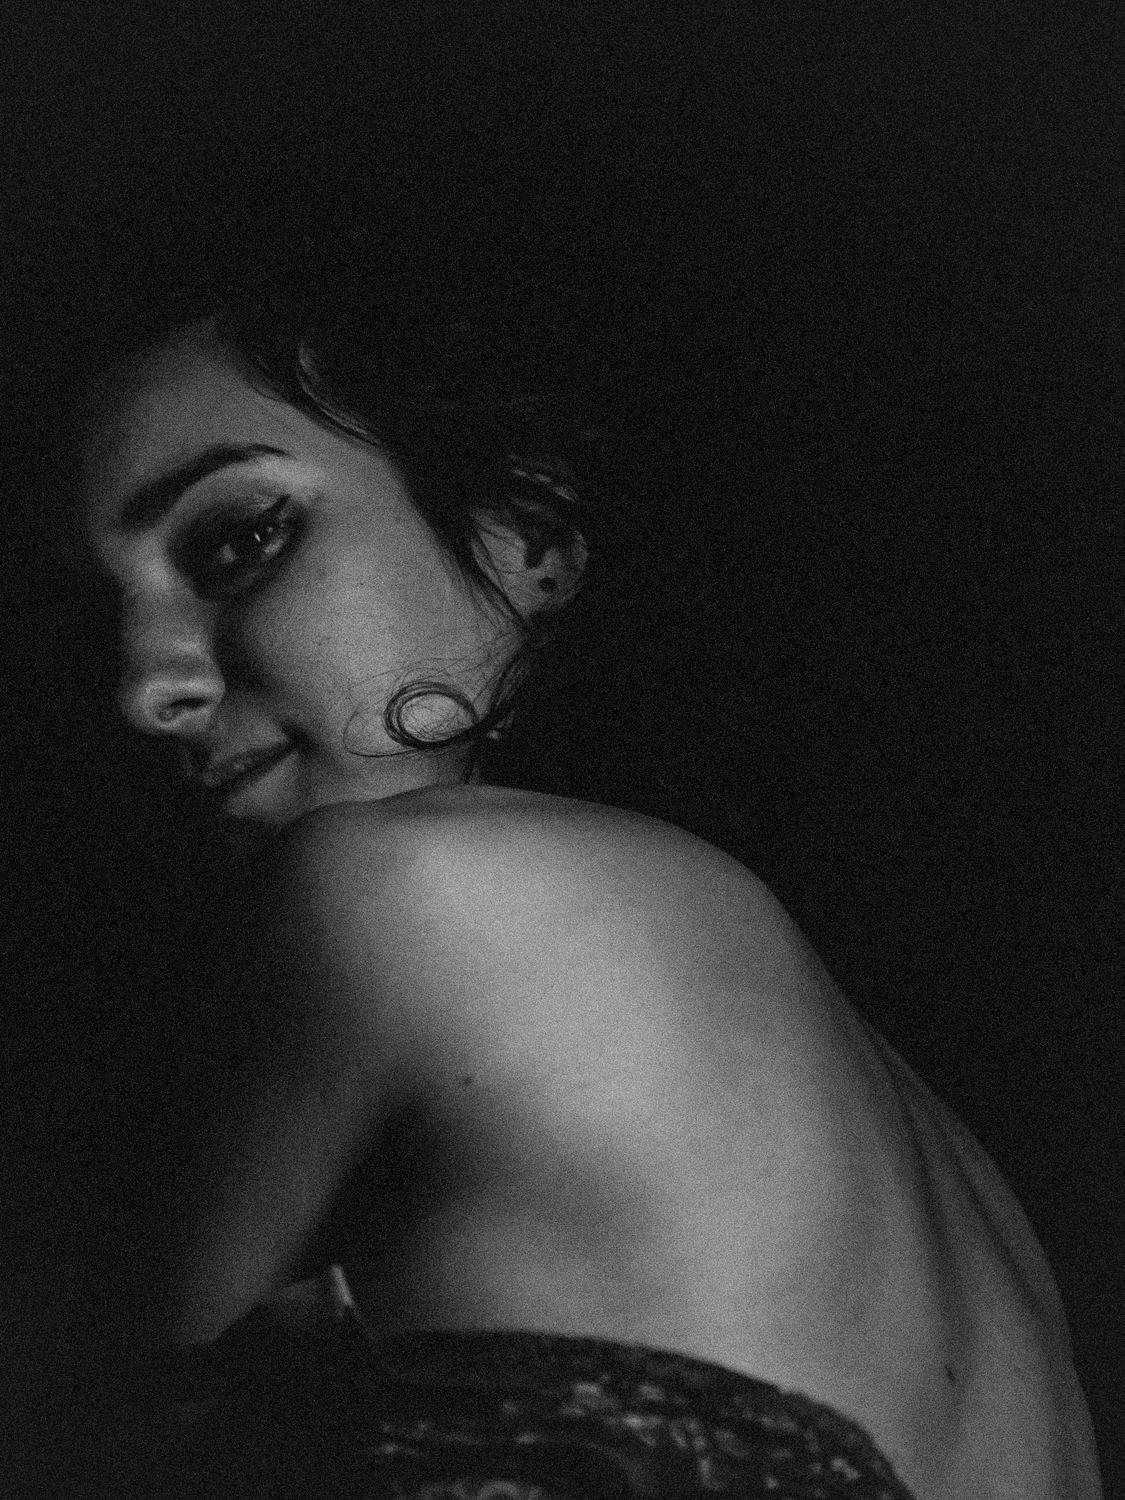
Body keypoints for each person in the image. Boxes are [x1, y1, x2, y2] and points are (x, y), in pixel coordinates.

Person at [76, 271, 1101, 1499]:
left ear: (528, 536)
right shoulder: (972, 1196)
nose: (144, 684)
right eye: (96, 615)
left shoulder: (392, 892)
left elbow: (78, 1448)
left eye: (238, 541)